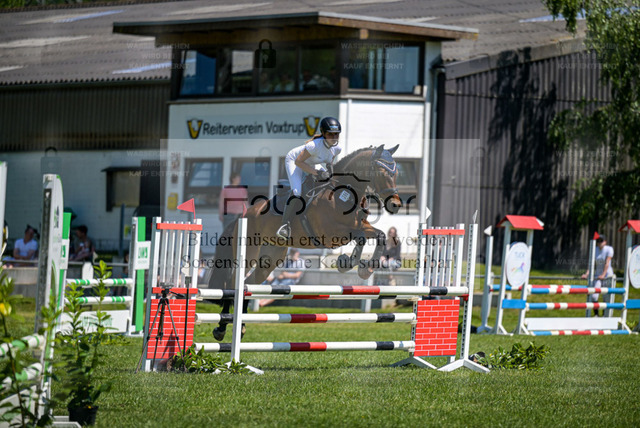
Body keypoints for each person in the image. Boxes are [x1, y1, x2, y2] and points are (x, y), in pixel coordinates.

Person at [276, 117, 342, 239]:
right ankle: (285, 225)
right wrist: (316, 173)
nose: (334, 137)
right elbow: (298, 162)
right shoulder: (314, 145)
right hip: (294, 161)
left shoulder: (337, 149)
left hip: (311, 162)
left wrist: (329, 175)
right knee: (297, 192)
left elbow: (329, 164)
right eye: (330, 134)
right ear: (323, 133)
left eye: (336, 134)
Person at [581, 234, 614, 317]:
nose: (599, 242)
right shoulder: (595, 249)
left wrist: (603, 275)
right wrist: (587, 274)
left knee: (606, 297)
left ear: (605, 242)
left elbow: (607, 263)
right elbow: (591, 264)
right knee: (593, 296)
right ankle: (596, 314)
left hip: (608, 275)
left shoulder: (609, 249)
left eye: (601, 241)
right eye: (598, 241)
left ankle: (604, 315)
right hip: (598, 275)